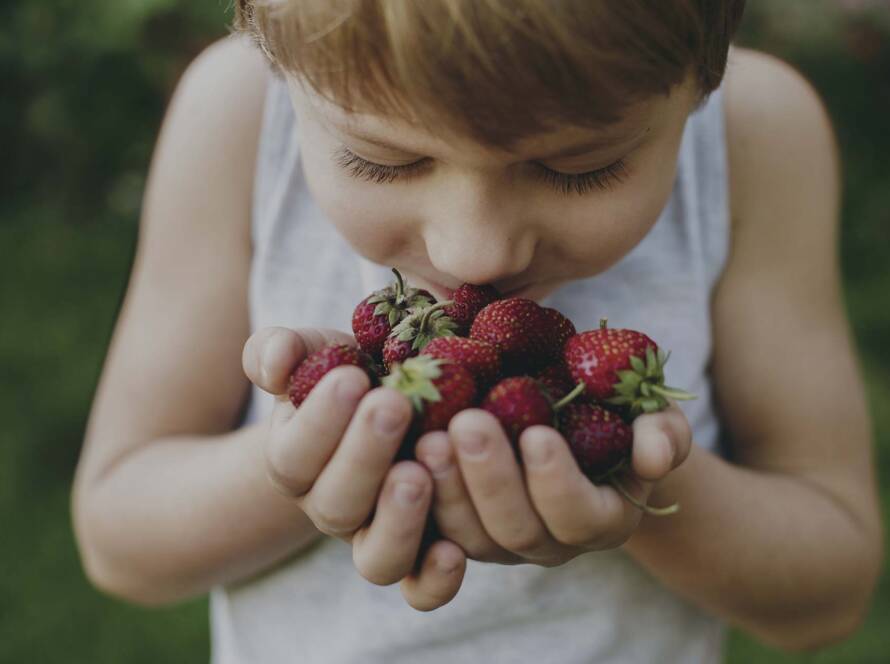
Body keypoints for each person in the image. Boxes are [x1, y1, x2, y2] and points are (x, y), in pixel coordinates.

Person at [71, 1, 883, 662]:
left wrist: (633, 472)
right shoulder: (237, 115)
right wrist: (314, 455)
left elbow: (829, 591)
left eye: (580, 167)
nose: (476, 252)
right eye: (381, 161)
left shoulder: (757, 136)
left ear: (703, 80)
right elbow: (121, 544)